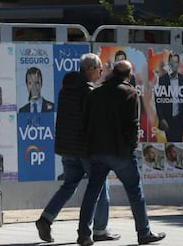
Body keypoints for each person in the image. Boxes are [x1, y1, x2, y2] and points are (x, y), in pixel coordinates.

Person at [77, 60, 166, 246]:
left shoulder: (96, 93)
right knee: (135, 191)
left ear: (112, 74)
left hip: (97, 151)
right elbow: (133, 125)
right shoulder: (130, 93)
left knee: (92, 192)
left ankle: (84, 234)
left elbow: (84, 121)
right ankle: (144, 232)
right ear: (129, 76)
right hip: (120, 152)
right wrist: (131, 147)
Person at [35, 53, 119, 243]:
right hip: (84, 149)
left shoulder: (67, 89)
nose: (100, 73)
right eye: (99, 69)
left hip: (67, 147)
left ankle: (46, 218)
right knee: (100, 186)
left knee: (69, 185)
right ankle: (99, 229)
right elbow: (93, 122)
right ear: (90, 69)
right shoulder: (89, 91)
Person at [155, 53, 183, 142]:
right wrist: (161, 119)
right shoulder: (163, 79)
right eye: (171, 62)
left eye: (176, 62)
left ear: (178, 64)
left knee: (179, 142)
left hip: (179, 120)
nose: (173, 65)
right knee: (169, 142)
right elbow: (158, 101)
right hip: (167, 120)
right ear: (168, 64)